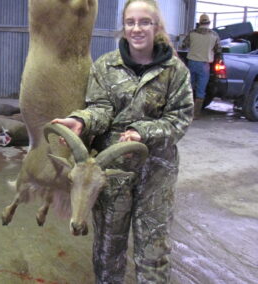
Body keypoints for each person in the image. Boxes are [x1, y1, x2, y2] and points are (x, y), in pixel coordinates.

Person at [51, 0, 194, 283]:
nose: (136, 28)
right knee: (108, 249)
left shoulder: (175, 71)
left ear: (156, 27)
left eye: (144, 22)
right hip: (110, 175)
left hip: (156, 174)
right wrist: (81, 120)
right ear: (123, 27)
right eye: (130, 22)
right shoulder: (105, 66)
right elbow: (100, 108)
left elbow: (180, 119)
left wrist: (143, 132)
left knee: (154, 250)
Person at [181, 13, 222, 118]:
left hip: (192, 63)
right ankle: (196, 114)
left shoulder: (192, 33)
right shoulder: (214, 35)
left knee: (189, 87)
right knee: (201, 90)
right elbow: (218, 50)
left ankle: (185, 112)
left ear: (199, 23)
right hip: (204, 65)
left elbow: (184, 45)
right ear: (208, 23)